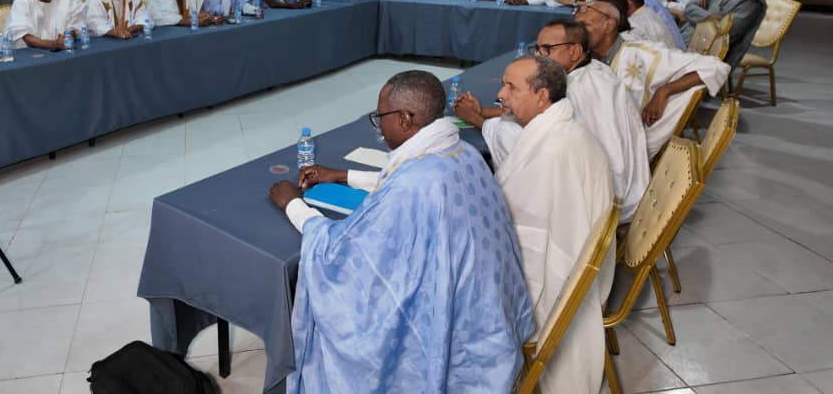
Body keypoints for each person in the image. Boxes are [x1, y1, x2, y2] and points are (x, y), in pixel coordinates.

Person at [273, 70, 534, 392]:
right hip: (488, 323)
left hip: (458, 347)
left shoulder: (413, 188)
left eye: (380, 117)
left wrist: (292, 205)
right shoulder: (465, 153)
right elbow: (410, 175)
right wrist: (343, 175)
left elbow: (340, 254)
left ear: (404, 119)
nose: (378, 126)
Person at [491, 56, 614, 394]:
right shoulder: (557, 130)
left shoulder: (553, 149)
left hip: (557, 278)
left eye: (511, 87)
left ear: (542, 96)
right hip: (573, 258)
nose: (501, 94)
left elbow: (515, 228)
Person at [456, 20, 649, 222]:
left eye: (548, 49)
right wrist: (484, 111)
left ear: (574, 51)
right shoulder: (595, 69)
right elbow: (535, 107)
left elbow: (532, 119)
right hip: (620, 185)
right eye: (537, 49)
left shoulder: (578, 91)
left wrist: (477, 119)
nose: (539, 56)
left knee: (504, 130)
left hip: (611, 198)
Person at [577, 0, 730, 157]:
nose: (576, 33)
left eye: (584, 25)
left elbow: (715, 67)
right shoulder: (589, 57)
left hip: (625, 149)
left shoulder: (641, 53)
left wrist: (664, 91)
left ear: (608, 25)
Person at [681, 0, 767, 67]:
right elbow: (689, 7)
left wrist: (700, 14)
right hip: (685, 40)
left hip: (712, 53)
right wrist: (713, 16)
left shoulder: (752, 1)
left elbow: (727, 30)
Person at [604, 0, 680, 48]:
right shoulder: (648, 13)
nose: (607, 5)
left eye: (612, 1)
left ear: (628, 3)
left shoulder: (633, 26)